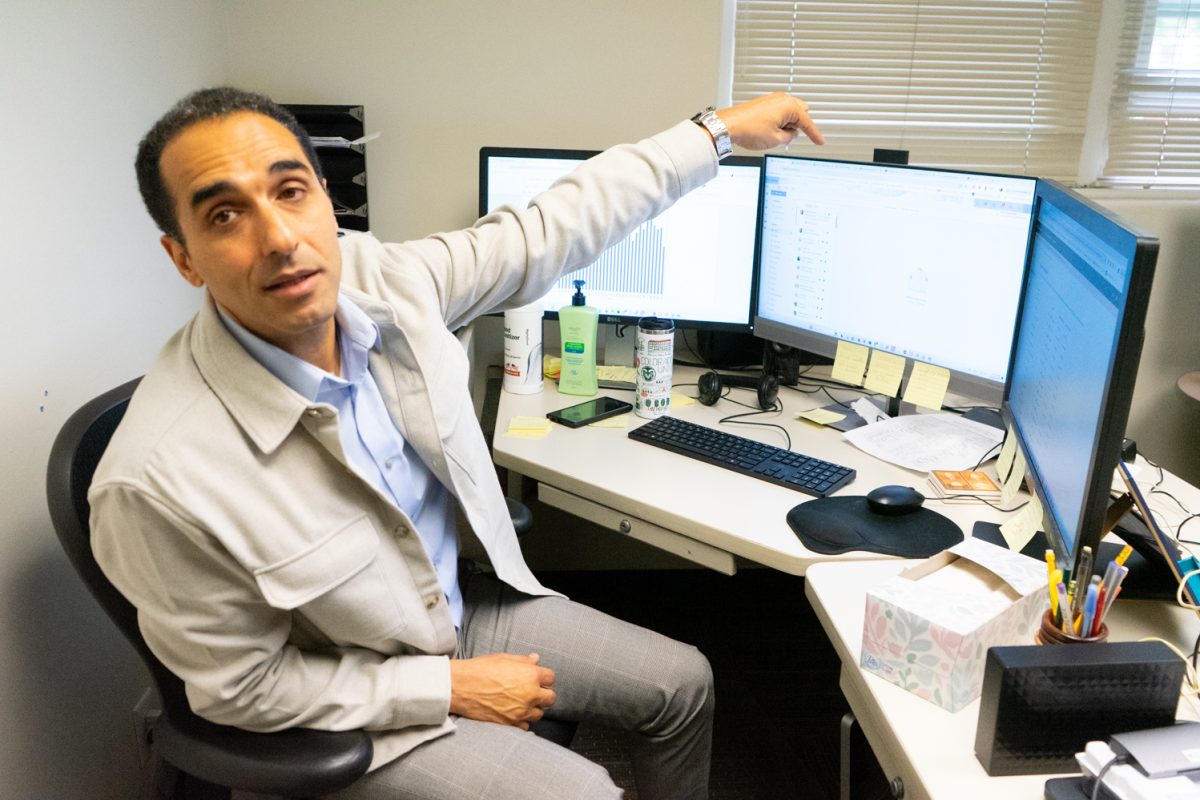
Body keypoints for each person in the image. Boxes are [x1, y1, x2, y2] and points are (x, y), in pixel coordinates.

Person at [90, 86, 822, 800]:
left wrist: (715, 132)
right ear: (184, 257)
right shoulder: (155, 479)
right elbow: (243, 692)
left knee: (683, 683)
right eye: (225, 214)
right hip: (349, 695)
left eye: (290, 192)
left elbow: (548, 229)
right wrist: (444, 689)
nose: (280, 239)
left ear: (322, 195)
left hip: (457, 609)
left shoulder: (386, 282)